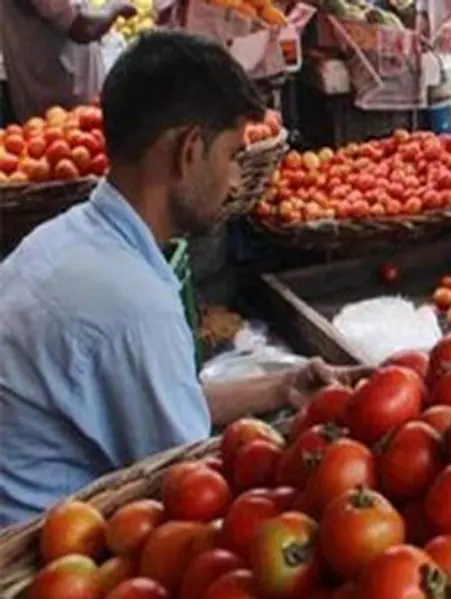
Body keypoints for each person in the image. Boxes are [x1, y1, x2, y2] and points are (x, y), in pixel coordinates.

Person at [0, 30, 361, 526]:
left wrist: (281, 387)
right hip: (37, 562)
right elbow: (194, 483)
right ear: (190, 150)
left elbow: (159, 397)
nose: (236, 180)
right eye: (233, 155)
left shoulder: (66, 239)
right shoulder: (131, 304)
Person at [0, 0, 137, 121]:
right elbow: (84, 27)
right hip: (58, 95)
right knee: (66, 141)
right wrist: (115, 6)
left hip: (53, 85)